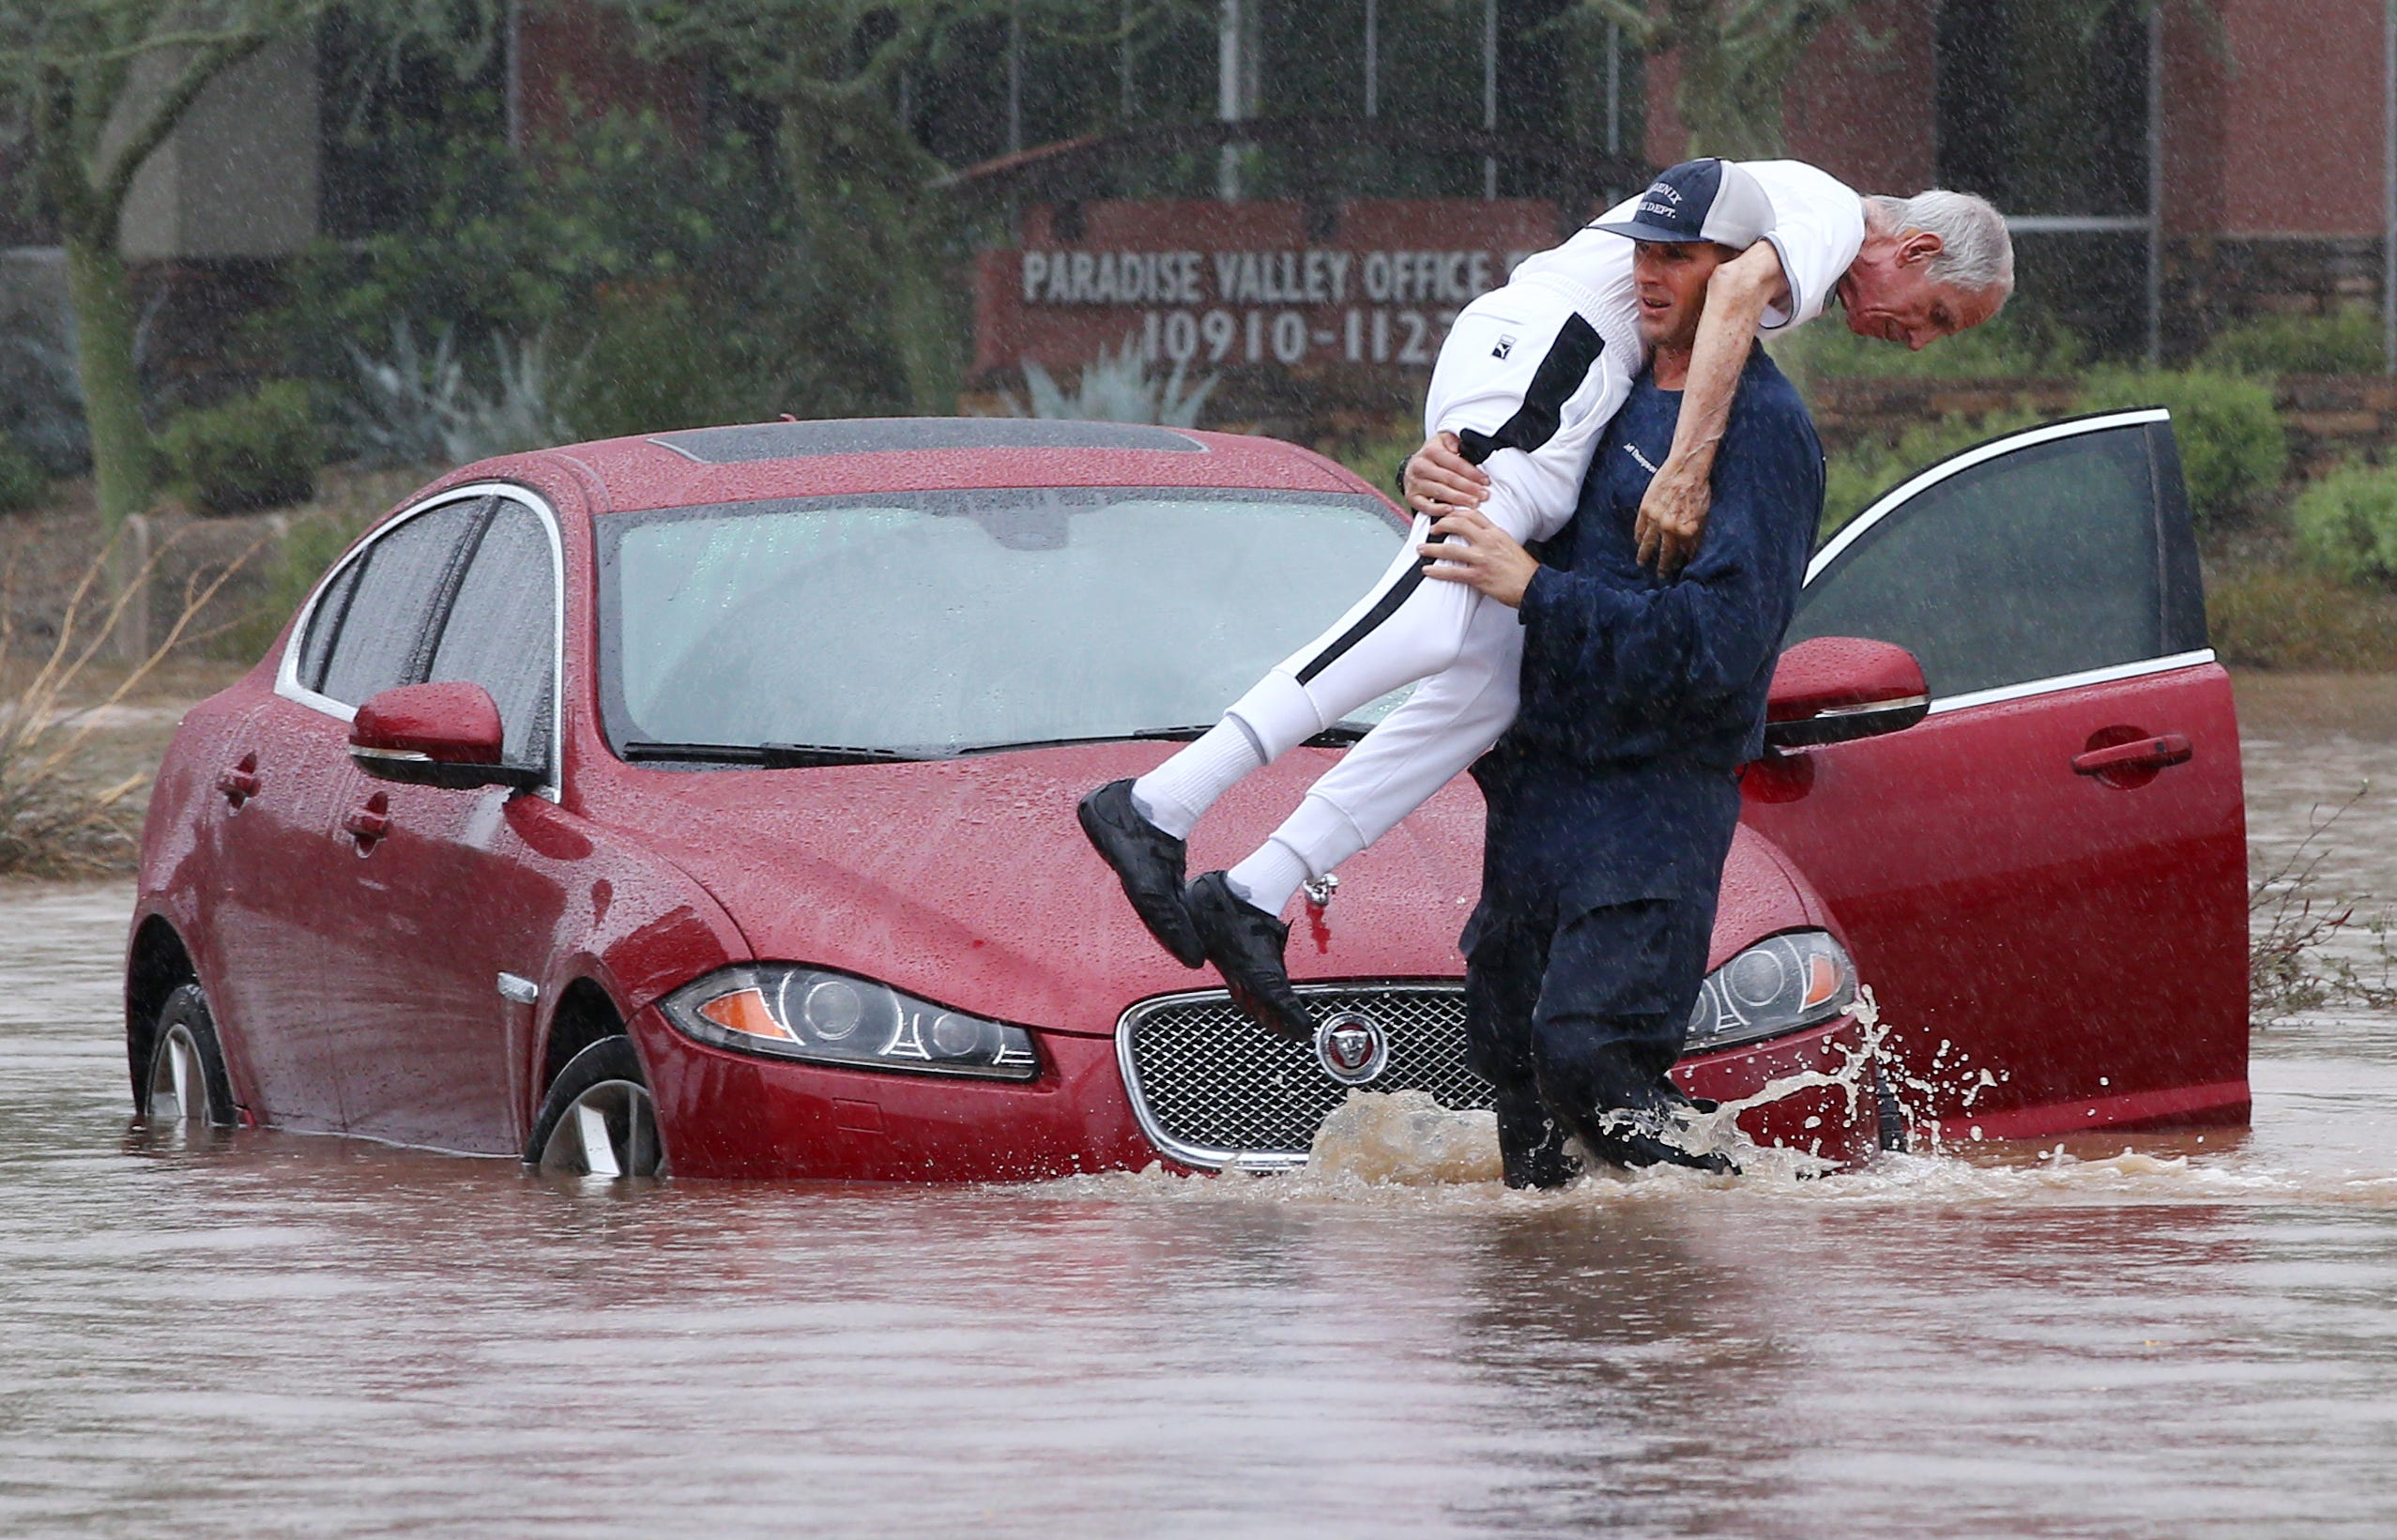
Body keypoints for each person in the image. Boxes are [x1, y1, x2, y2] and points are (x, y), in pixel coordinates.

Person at [1079, 157, 2009, 1043]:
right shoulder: (1836, 218)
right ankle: (1156, 805)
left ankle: (1254, 892)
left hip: (1552, 365)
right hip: (1550, 353)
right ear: (1916, 251)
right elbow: (1725, 293)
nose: (1919, 340)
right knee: (1431, 611)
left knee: (1486, 689)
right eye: (1936, 316)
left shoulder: (1810, 214)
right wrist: (1686, 471)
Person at [1414, 221, 1826, 1185]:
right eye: (1644, 253)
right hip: (1535, 786)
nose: (1649, 275)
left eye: (1679, 259)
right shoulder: (1603, 383)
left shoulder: (1760, 429)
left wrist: (1539, 591)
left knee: (1588, 1058)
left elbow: (1721, 649)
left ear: (1737, 280)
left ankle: (1740, 1234)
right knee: (1512, 1068)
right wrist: (1424, 470)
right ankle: (1560, 1333)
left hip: (1652, 800)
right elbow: (1501, 496)